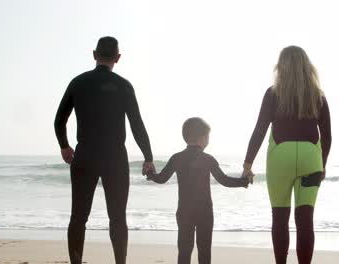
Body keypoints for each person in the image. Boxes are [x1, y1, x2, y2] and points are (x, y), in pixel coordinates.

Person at [54, 36, 155, 264]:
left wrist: (64, 146)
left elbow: (59, 120)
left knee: (78, 217)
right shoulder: (123, 85)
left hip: (85, 154)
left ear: (94, 54)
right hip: (115, 158)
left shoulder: (78, 82)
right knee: (118, 217)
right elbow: (137, 125)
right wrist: (148, 157)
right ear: (117, 58)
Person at [242, 46, 332, 264]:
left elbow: (260, 129)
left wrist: (247, 164)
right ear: (306, 66)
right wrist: (322, 164)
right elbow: (327, 136)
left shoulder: (273, 93)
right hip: (311, 158)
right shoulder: (318, 96)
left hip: (280, 156)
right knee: (305, 219)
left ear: (281, 67)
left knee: (280, 217)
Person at [146, 117, 249, 264]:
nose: (208, 140)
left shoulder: (177, 158)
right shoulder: (208, 159)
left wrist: (150, 174)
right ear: (202, 138)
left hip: (184, 211)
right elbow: (224, 180)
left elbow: (161, 178)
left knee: (184, 250)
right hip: (205, 211)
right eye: (208, 137)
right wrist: (243, 181)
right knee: (204, 250)